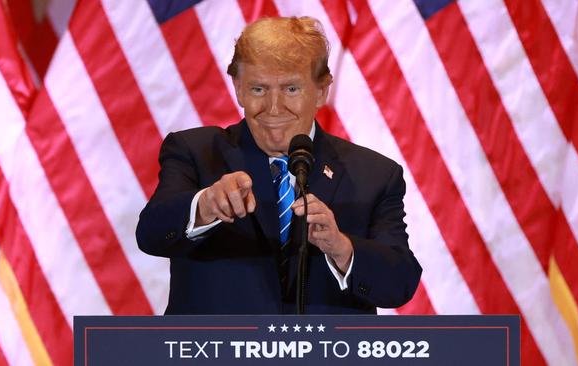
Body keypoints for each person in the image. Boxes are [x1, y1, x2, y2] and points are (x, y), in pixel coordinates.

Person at [136, 16, 421, 314]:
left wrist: (342, 249)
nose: (274, 108)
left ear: (322, 90)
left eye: (291, 89)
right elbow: (151, 234)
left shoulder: (373, 174)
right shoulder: (196, 151)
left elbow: (399, 284)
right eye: (258, 89)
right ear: (238, 88)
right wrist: (204, 206)